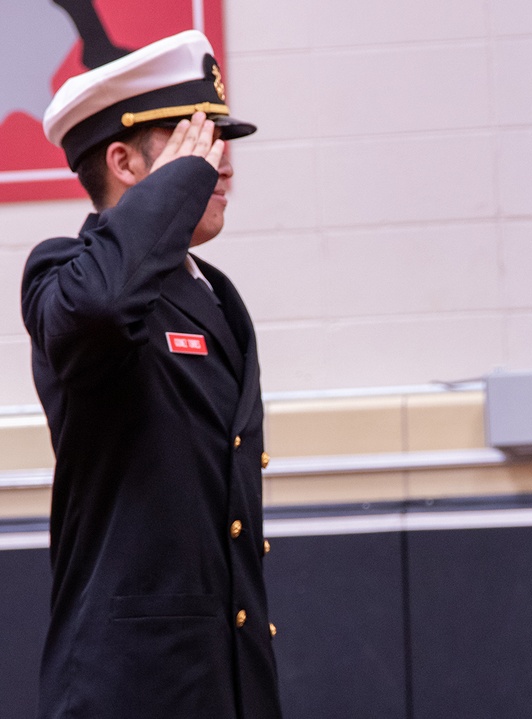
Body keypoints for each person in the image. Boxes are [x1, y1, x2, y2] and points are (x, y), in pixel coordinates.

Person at [21, 31, 281, 718]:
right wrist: (177, 190)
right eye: (196, 145)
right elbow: (102, 305)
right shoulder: (61, 275)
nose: (220, 166)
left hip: (222, 687)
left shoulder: (215, 296)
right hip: (128, 690)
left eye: (221, 145)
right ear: (123, 162)